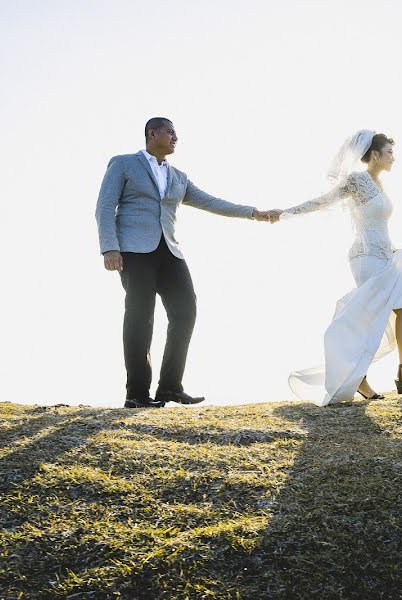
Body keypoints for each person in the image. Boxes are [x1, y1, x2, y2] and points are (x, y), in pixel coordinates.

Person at [95, 117, 280, 408]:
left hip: (169, 252)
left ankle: (170, 388)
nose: (175, 137)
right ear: (151, 133)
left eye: (176, 133)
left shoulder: (178, 177)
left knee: (185, 312)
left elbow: (211, 201)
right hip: (133, 251)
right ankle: (137, 394)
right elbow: (105, 206)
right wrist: (109, 248)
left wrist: (254, 213)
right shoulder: (122, 163)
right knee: (140, 318)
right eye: (170, 132)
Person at [281, 130, 402, 406]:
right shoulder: (358, 181)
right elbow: (324, 200)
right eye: (389, 153)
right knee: (369, 317)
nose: (393, 158)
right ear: (374, 155)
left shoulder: (380, 185)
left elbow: (378, 225)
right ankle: (358, 376)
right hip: (366, 257)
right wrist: (285, 212)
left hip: (386, 255)